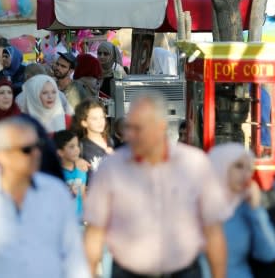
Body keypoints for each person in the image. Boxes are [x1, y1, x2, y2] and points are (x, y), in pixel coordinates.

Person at [84, 92, 228, 278]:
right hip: (128, 272)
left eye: (138, 129)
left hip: (184, 271)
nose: (129, 135)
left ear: (161, 127)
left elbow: (213, 231)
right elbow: (94, 232)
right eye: (129, 128)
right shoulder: (111, 168)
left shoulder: (194, 164)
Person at [0, 116, 90, 278]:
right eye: (26, 149)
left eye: (38, 146)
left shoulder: (55, 193)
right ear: (1, 155)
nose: (36, 153)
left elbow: (74, 258)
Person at [207, 143, 275, 278]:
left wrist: (256, 210)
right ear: (221, 166)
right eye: (239, 166)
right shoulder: (200, 206)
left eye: (249, 169)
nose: (246, 174)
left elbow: (269, 253)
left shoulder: (246, 207)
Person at [72, 98, 114, 174]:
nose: (100, 122)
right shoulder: (81, 146)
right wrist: (76, 162)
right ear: (84, 122)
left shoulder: (110, 140)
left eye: (102, 117)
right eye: (94, 119)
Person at [54, 129, 87, 221]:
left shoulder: (81, 170)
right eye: (72, 147)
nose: (77, 149)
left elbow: (83, 195)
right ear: (60, 152)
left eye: (77, 145)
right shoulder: (56, 174)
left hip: (79, 220)